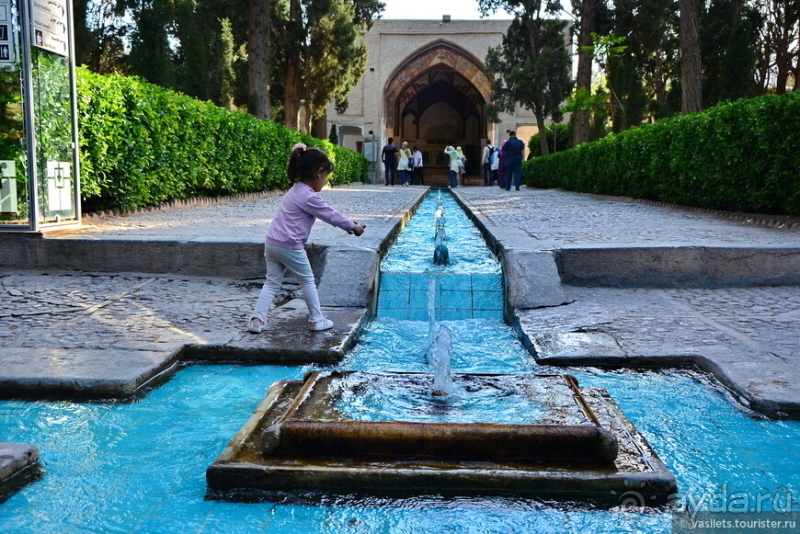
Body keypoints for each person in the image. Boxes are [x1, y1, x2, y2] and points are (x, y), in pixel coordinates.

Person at [248, 144, 366, 334]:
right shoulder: (309, 197)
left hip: (272, 243)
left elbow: (329, 214)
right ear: (319, 173)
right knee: (308, 281)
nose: (325, 180)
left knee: (271, 283)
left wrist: (348, 224)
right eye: (326, 176)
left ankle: (257, 320)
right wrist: (353, 227)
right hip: (290, 246)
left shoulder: (295, 190)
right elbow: (330, 214)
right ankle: (317, 320)